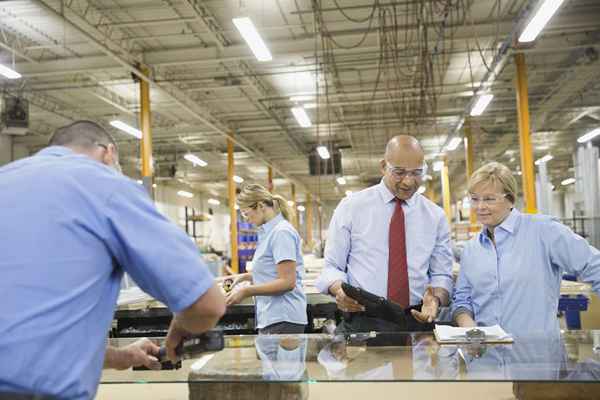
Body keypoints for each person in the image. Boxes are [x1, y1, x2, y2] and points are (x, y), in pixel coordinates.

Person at [0, 121, 226, 400]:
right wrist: (183, 325)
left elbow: (28, 332)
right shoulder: (104, 185)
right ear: (109, 153)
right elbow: (208, 305)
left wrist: (119, 356)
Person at [315, 135, 454, 333]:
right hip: (364, 319)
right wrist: (339, 290)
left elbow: (441, 274)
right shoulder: (352, 208)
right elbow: (332, 267)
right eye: (399, 172)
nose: (408, 181)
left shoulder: (435, 216)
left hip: (418, 321)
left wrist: (436, 298)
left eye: (416, 173)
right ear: (383, 166)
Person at [452, 162, 600, 336]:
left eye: (489, 199)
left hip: (536, 356)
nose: (480, 207)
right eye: (475, 199)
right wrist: (469, 327)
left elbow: (594, 266)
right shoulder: (471, 249)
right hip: (487, 358)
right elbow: (462, 299)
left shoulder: (544, 231)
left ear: (511, 200)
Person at [226, 184, 308, 334]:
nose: (247, 219)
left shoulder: (281, 233)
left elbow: (287, 282)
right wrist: (246, 277)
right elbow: (272, 273)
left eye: (246, 213)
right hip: (273, 317)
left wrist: (246, 291)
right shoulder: (268, 233)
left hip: (284, 318)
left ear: (261, 205)